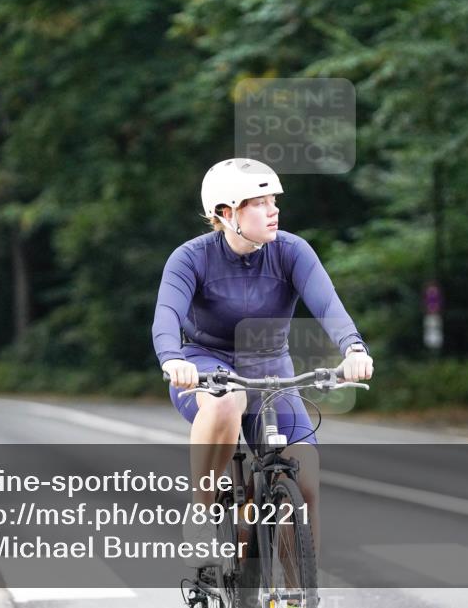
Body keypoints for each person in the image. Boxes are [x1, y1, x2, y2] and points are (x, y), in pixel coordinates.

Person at [153, 158, 374, 569]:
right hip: (205, 364)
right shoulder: (190, 259)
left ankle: (299, 598)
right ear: (226, 213)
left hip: (272, 369)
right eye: (259, 202)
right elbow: (166, 316)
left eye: (274, 200)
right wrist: (172, 360)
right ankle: (201, 514)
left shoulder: (292, 252)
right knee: (226, 402)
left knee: (304, 478)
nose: (273, 210)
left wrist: (354, 348)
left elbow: (328, 305)